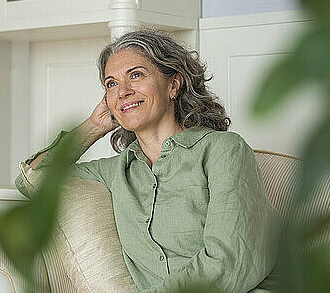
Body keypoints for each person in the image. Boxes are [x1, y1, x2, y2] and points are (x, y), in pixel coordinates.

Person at [15, 29, 281, 293]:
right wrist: (93, 126)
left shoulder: (223, 150)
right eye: (111, 84)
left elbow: (227, 262)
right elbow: (33, 178)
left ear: (173, 84)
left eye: (136, 75)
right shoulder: (116, 172)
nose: (123, 92)